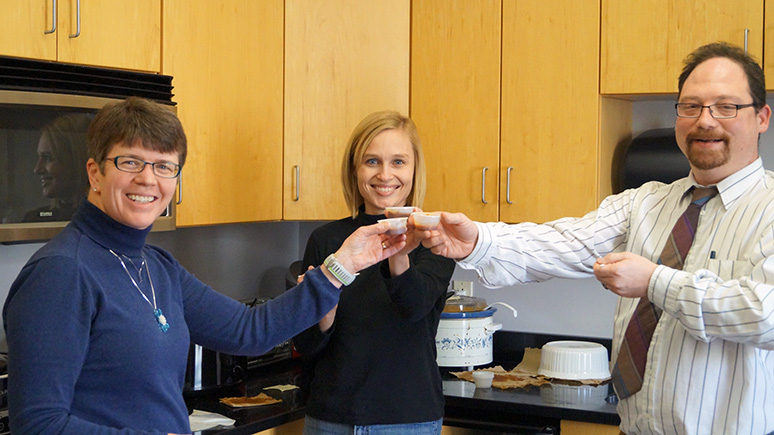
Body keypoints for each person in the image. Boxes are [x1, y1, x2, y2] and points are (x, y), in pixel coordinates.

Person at [420, 42, 774, 435]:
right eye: (691, 106)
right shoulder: (644, 203)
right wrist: (477, 241)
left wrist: (656, 282)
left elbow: (767, 313)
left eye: (725, 106)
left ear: (761, 117)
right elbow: (560, 243)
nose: (705, 121)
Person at [2, 97, 407, 435]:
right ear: (96, 172)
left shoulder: (156, 265)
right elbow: (39, 424)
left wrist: (342, 266)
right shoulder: (61, 273)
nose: (149, 179)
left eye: (164, 166)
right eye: (130, 162)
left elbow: (251, 331)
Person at [293, 111, 456, 434]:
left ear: (414, 169)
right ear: (355, 169)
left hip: (408, 420)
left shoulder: (434, 236)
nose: (384, 174)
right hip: (330, 419)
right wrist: (324, 310)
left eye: (398, 162)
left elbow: (413, 307)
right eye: (371, 161)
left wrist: (399, 253)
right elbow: (307, 346)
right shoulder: (325, 240)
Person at [23, 113, 92, 222]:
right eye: (39, 157)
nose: (37, 169)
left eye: (48, 158)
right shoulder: (32, 220)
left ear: (76, 161)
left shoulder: (106, 221)